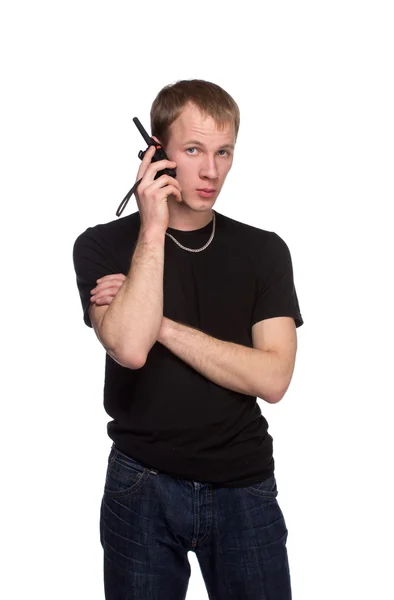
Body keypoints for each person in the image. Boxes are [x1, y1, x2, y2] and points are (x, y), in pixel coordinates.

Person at [73, 78, 303, 600]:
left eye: (224, 152)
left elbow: (273, 378)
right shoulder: (102, 246)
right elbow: (130, 348)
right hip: (141, 485)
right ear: (157, 154)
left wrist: (165, 326)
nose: (212, 171)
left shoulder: (263, 251)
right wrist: (152, 226)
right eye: (194, 150)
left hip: (242, 485)